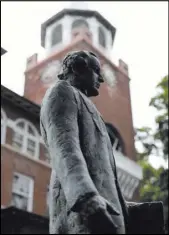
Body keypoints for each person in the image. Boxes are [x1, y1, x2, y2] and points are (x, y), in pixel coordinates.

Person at [40, 50, 128, 234]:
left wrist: (129, 209)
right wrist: (85, 197)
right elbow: (64, 147)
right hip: (83, 213)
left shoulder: (90, 108)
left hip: (106, 212)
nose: (101, 79)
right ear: (78, 68)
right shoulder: (61, 91)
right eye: (96, 70)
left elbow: (103, 178)